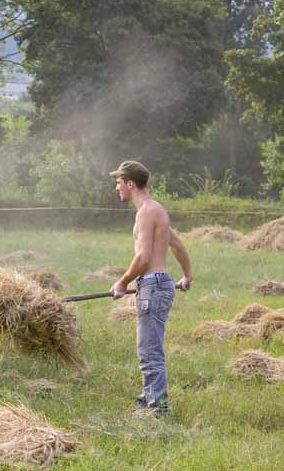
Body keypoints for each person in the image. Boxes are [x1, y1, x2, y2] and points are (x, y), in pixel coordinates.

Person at [109, 160, 193, 416]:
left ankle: (157, 408)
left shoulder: (146, 212)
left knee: (149, 351)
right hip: (160, 284)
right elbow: (176, 244)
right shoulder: (157, 210)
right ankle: (148, 399)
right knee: (148, 347)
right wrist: (187, 275)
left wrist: (122, 282)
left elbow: (143, 257)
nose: (116, 187)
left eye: (118, 182)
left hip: (153, 286)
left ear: (130, 183)